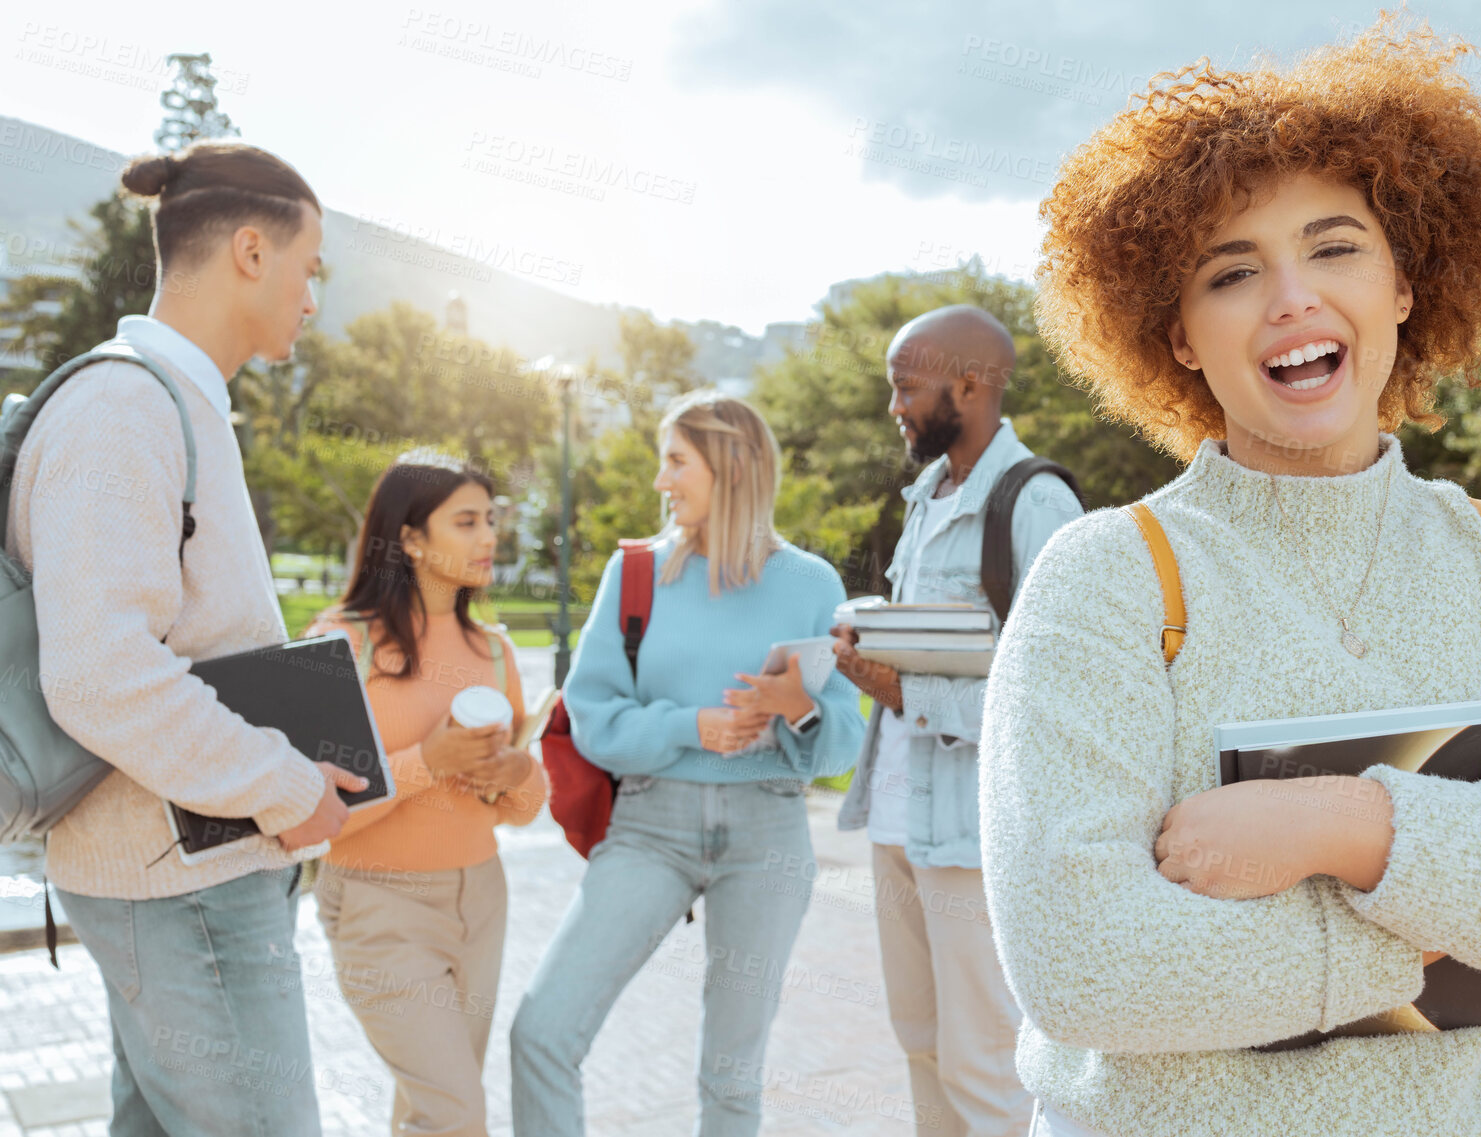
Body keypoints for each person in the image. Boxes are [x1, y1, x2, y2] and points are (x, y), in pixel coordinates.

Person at [979, 15, 1481, 1137]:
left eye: (1336, 248)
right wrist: (1460, 905)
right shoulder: (1106, 577)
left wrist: (1342, 827)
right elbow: (1087, 967)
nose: (1292, 299)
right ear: (1178, 334)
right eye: (1233, 272)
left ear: (1406, 286)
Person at [2, 142, 359, 1136]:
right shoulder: (124, 407)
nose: (314, 297)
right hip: (184, 882)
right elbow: (102, 672)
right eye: (310, 267)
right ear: (252, 250)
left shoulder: (169, 401)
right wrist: (286, 783)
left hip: (189, 868)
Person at [509, 390, 865, 1137]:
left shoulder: (811, 584)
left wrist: (793, 705)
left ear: (730, 466)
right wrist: (691, 725)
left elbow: (839, 746)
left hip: (767, 829)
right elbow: (597, 720)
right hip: (648, 826)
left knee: (730, 1079)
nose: (661, 481)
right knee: (541, 1031)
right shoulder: (635, 573)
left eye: (676, 460)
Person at [830, 304, 1083, 1137]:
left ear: (969, 385)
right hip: (899, 824)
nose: (894, 405)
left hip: (975, 839)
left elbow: (1056, 697)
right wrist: (870, 652)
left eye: (907, 386)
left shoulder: (1037, 503)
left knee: (986, 1067)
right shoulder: (925, 496)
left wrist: (906, 692)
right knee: (922, 1046)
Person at [304, 450, 547, 1137]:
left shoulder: (494, 650)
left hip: (481, 900)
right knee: (455, 1112)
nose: (489, 537)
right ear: (409, 538)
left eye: (491, 520)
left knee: (431, 1108)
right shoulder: (340, 642)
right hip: (380, 905)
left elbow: (526, 809)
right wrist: (427, 760)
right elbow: (317, 817)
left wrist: (515, 776)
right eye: (466, 522)